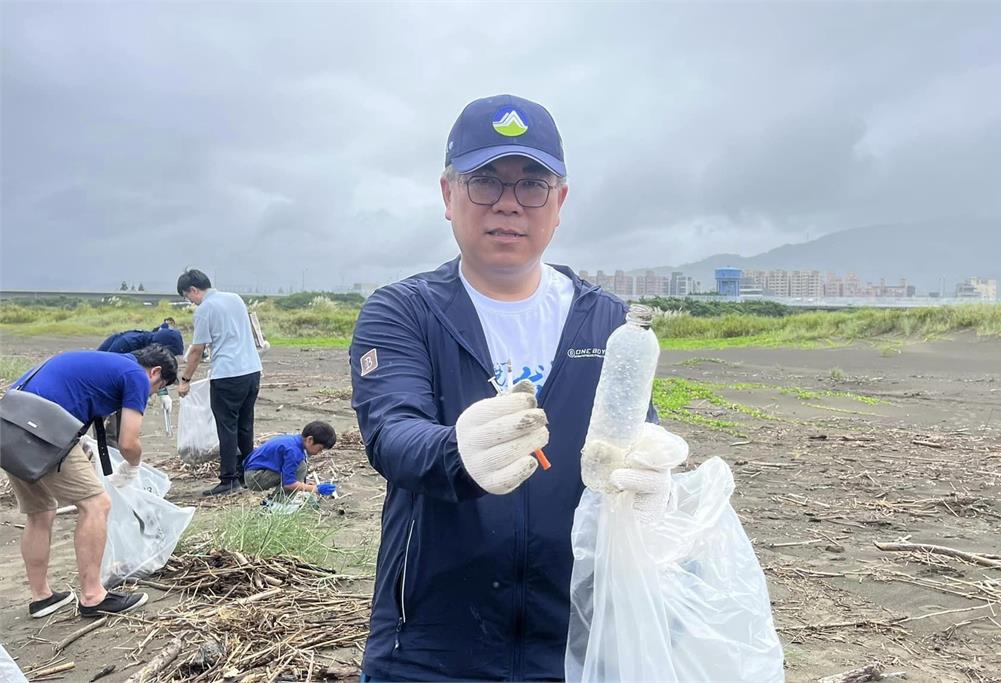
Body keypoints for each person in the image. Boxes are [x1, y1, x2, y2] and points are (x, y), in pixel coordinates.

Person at [348, 94, 688, 681]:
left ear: (559, 203)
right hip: (430, 640)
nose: (509, 204)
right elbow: (392, 433)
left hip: (579, 629)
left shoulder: (608, 322)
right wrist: (458, 450)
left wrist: (652, 474)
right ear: (447, 195)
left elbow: (632, 437)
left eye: (532, 184)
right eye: (486, 182)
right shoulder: (402, 312)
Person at [4, 345, 178, 618]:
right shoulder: (135, 374)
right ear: (155, 372)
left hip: (9, 424)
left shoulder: (105, 362)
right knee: (96, 504)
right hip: (42, 429)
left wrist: (78, 437)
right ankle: (93, 596)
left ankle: (42, 598)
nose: (151, 394)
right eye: (158, 388)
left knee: (40, 512)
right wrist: (132, 468)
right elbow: (129, 441)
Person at [176, 269, 262, 496]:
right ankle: (247, 474)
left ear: (194, 290)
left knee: (227, 427)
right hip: (252, 370)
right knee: (245, 425)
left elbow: (196, 350)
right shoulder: (235, 298)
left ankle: (229, 479)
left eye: (188, 297)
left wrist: (185, 380)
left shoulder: (205, 310)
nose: (191, 302)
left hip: (227, 374)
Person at [243, 421, 338, 495]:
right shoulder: (293, 451)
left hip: (254, 472)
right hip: (254, 478)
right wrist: (315, 489)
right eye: (320, 449)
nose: (319, 453)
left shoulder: (293, 441)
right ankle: (278, 504)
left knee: (299, 467)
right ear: (310, 439)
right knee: (300, 468)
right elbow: (289, 483)